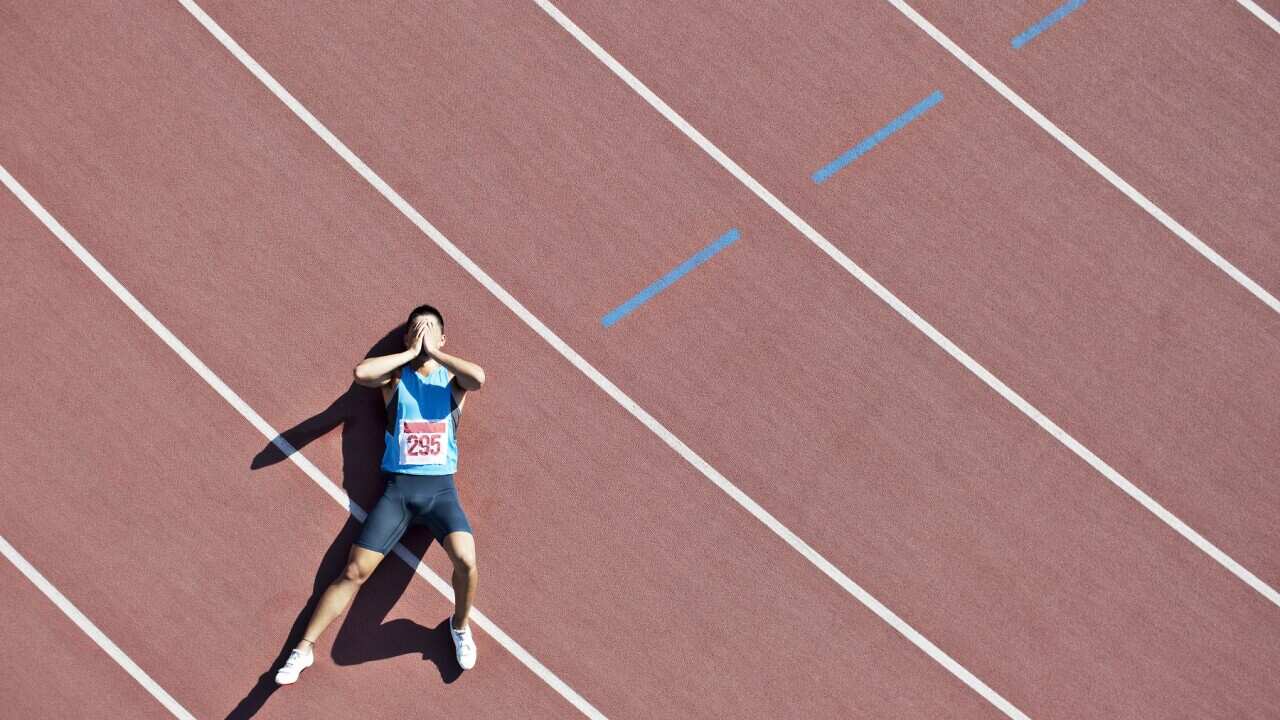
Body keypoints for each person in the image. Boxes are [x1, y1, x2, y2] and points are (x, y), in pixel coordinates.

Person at [276, 304, 486, 684]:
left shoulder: (453, 383)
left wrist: (435, 354)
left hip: (440, 493)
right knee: (353, 571)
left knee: (467, 561)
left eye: (431, 330)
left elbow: (479, 378)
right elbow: (361, 374)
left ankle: (459, 625)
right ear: (407, 338)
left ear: (442, 338)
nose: (423, 336)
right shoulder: (395, 379)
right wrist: (411, 352)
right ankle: (302, 650)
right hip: (398, 494)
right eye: (417, 330)